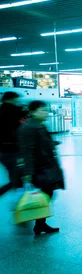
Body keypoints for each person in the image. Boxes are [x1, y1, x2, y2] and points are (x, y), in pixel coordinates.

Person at [18, 101, 65, 235]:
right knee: (45, 194)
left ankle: (40, 224)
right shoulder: (28, 128)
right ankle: (38, 223)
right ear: (33, 112)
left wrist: (52, 143)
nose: (46, 113)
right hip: (39, 169)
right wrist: (28, 173)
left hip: (46, 166)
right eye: (42, 110)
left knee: (47, 193)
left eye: (46, 110)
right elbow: (27, 151)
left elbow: (42, 144)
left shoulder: (40, 126)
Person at [0, 91, 25, 197]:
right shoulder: (14, 111)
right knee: (17, 174)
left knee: (13, 172)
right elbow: (21, 127)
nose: (17, 101)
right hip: (13, 147)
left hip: (2, 149)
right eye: (16, 99)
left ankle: (18, 193)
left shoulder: (1, 110)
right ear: (10, 99)